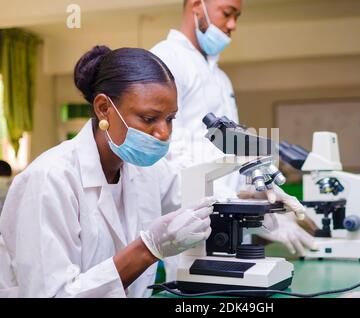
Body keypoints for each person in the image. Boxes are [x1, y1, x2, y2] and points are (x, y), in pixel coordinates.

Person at [0, 46, 214, 298]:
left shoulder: (148, 171)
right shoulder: (50, 180)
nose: (163, 133)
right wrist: (146, 249)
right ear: (103, 108)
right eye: (148, 118)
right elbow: (53, 294)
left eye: (170, 119)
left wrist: (249, 198)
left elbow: (195, 197)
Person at [151, 0, 317, 259]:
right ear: (197, 5)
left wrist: (258, 197)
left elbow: (233, 153)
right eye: (228, 13)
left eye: (237, 17)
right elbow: (170, 154)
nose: (232, 25)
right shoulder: (166, 59)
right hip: (195, 219)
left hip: (232, 219)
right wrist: (233, 202)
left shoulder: (220, 77)